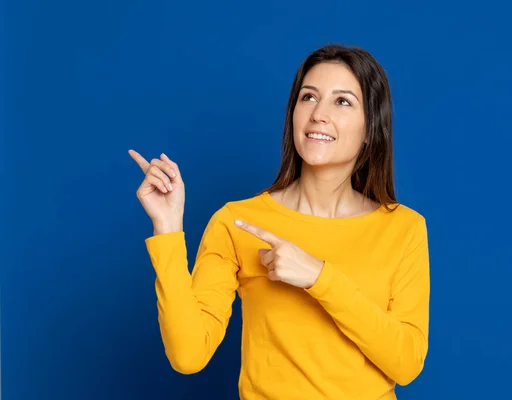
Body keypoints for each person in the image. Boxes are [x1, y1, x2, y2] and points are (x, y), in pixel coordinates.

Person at [129, 44, 430, 400]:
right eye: (308, 97)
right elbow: (187, 355)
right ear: (293, 114)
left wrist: (319, 277)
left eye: (343, 101)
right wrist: (168, 229)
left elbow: (406, 363)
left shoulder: (403, 228)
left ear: (370, 128)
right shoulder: (237, 222)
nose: (319, 113)